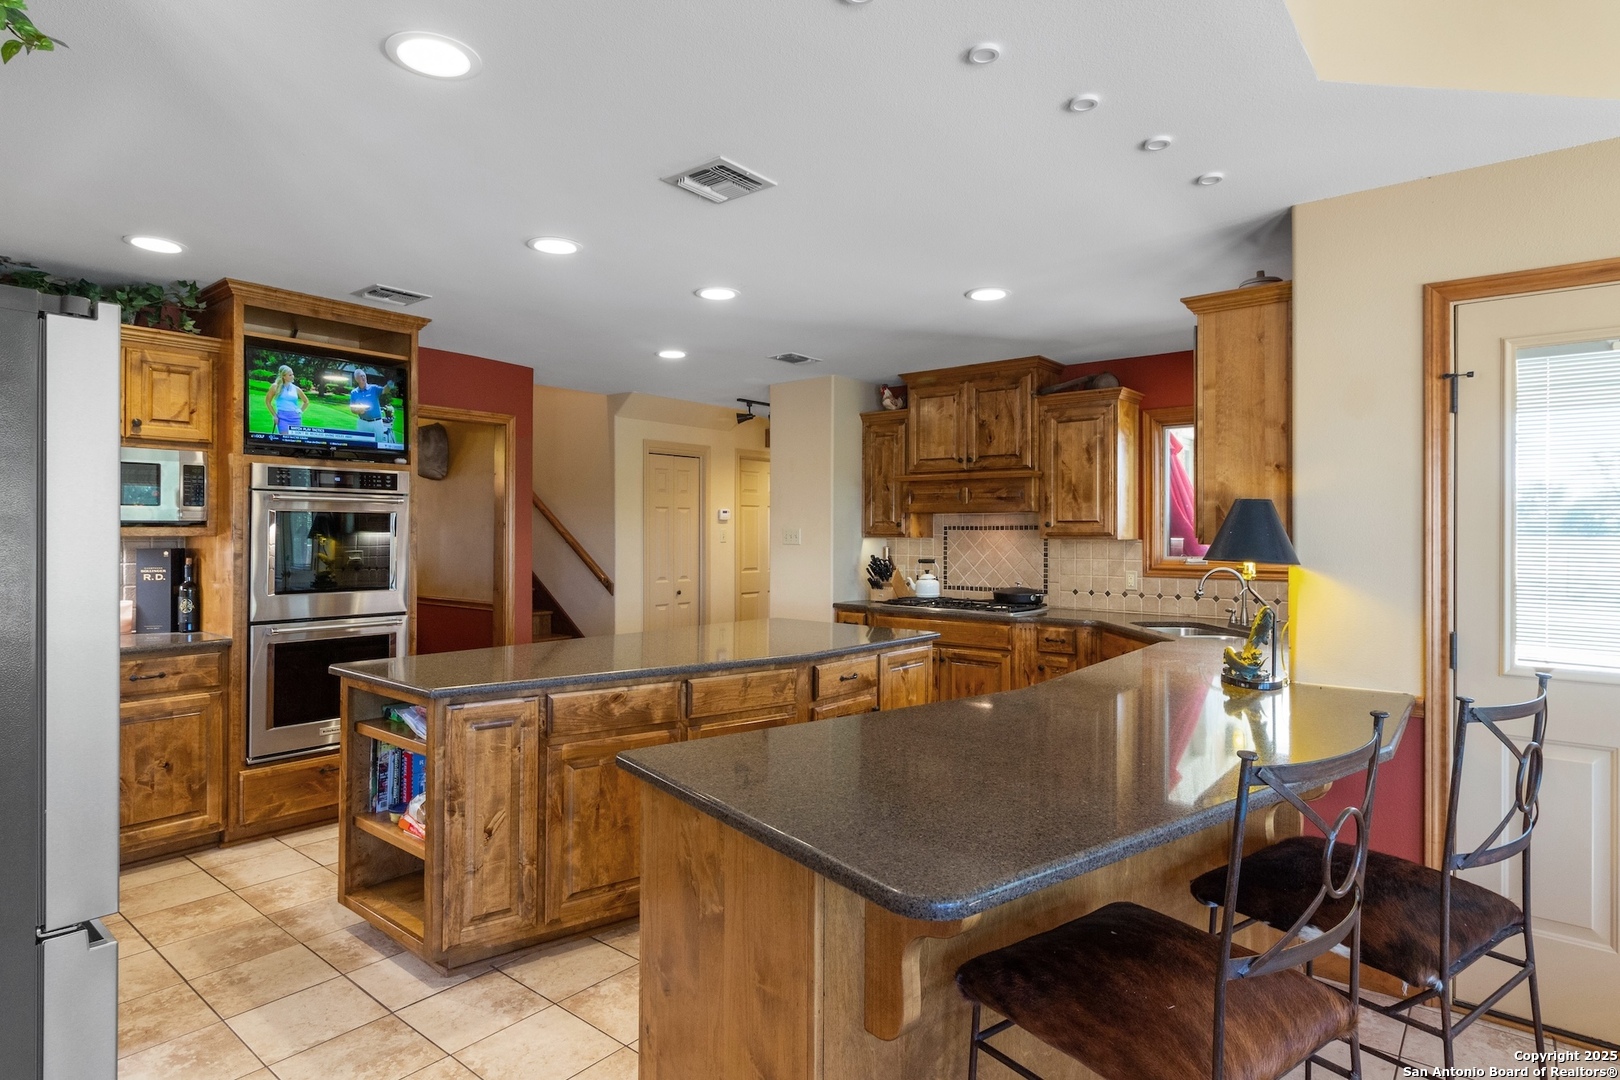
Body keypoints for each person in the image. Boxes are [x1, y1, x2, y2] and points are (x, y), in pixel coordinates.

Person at [347, 370, 397, 444]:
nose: (363, 377)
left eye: (364, 375)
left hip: (376, 423)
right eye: (361, 376)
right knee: (361, 445)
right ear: (356, 379)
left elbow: (384, 390)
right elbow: (352, 409)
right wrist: (359, 411)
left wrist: (389, 385)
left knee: (379, 445)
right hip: (362, 422)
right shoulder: (354, 393)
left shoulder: (373, 388)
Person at [264, 365, 308, 435]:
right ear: (284, 376)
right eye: (290, 375)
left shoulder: (296, 388)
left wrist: (300, 411)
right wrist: (275, 415)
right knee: (285, 438)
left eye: (292, 374)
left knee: (295, 441)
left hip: (295, 418)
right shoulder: (275, 387)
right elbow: (268, 402)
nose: (293, 376)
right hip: (282, 417)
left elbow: (306, 402)